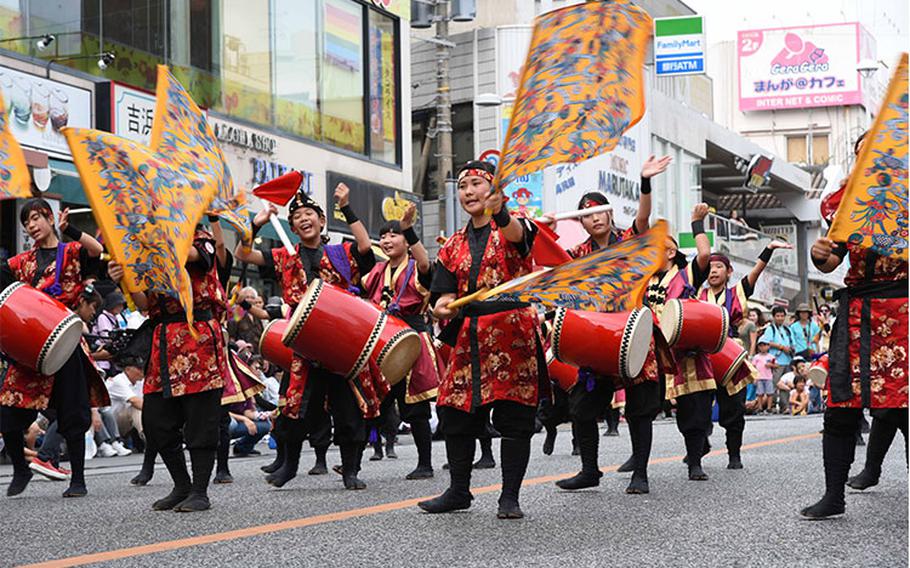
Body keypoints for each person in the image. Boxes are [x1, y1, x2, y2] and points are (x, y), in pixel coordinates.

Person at [419, 160, 544, 519]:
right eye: (463, 186)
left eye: (476, 183)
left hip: (510, 333)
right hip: (469, 336)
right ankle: (459, 490)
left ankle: (509, 497)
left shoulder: (512, 226)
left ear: (492, 190)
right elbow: (443, 292)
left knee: (514, 415)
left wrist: (500, 211)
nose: (468, 192)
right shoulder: (452, 244)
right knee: (453, 410)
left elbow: (517, 236)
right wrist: (443, 307)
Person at [235, 183, 380, 490]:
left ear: (322, 220)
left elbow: (366, 248)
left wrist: (347, 206)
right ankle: (289, 466)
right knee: (296, 405)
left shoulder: (339, 253)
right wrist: (257, 223)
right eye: (297, 216)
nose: (303, 219)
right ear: (292, 227)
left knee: (347, 406)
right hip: (304, 342)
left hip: (339, 339)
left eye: (309, 214)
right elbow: (242, 253)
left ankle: (351, 470)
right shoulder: (283, 257)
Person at [801, 132, 908, 519]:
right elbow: (830, 261)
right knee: (840, 404)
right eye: (863, 154)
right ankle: (834, 495)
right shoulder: (846, 203)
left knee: (906, 407)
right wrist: (819, 254)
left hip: (905, 309)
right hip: (858, 310)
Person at [554, 154, 671, 494]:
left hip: (634, 331)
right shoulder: (577, 255)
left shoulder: (631, 242)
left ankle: (640, 473)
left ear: (609, 214)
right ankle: (589, 470)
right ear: (583, 223)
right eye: (586, 215)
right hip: (597, 337)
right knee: (582, 407)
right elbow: (551, 269)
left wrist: (645, 181)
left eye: (599, 211)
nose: (594, 218)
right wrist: (543, 227)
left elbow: (644, 216)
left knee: (640, 408)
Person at [109, 225, 228, 512]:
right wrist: (125, 277)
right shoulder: (147, 247)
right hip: (163, 340)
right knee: (155, 421)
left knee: (201, 420)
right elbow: (143, 303)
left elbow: (187, 256)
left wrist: (141, 252)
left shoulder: (199, 238)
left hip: (197, 336)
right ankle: (182, 485)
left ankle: (200, 491)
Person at [0, 199, 108, 498]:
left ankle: (78, 480)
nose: (31, 226)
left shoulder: (71, 252)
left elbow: (96, 251)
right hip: (30, 343)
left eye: (35, 218)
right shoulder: (20, 262)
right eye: (26, 223)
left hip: (66, 339)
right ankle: (21, 468)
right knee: (8, 410)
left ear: (49, 218)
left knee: (72, 412)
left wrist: (70, 229)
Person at [363, 205, 441, 480]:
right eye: (383, 236)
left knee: (415, 408)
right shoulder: (375, 271)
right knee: (371, 402)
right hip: (383, 340)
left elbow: (426, 264)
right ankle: (354, 465)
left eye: (394, 235)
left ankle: (425, 464)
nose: (386, 240)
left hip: (411, 340)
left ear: (407, 241)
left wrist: (409, 228)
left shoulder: (415, 267)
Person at [698, 242, 790, 468]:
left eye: (719, 266)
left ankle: (734, 454)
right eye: (710, 267)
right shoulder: (697, 294)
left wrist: (768, 249)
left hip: (730, 355)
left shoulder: (736, 292)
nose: (713, 271)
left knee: (734, 410)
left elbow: (756, 272)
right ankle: (699, 446)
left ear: (729, 272)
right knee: (697, 407)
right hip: (703, 355)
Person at [646, 203, 713, 480]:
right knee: (646, 409)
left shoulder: (686, 276)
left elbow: (705, 253)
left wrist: (696, 222)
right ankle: (639, 463)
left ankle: (695, 462)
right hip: (656, 356)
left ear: (671, 253)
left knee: (692, 412)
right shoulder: (646, 282)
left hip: (687, 356)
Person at [759, 306, 793, 398]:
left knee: (786, 383)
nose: (780, 318)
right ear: (773, 317)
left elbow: (792, 342)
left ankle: (784, 406)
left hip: (788, 360)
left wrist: (791, 348)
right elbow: (766, 342)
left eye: (782, 316)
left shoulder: (787, 329)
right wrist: (781, 347)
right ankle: (772, 405)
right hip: (776, 361)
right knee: (774, 384)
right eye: (778, 316)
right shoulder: (770, 329)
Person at [751, 340, 776, 414]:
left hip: (768, 377)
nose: (762, 347)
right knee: (759, 393)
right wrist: (754, 377)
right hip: (759, 377)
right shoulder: (756, 357)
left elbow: (776, 365)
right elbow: (753, 367)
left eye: (764, 345)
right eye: (760, 346)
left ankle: (769, 407)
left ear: (768, 346)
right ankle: (760, 407)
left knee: (769, 393)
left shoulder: (771, 357)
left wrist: (771, 365)